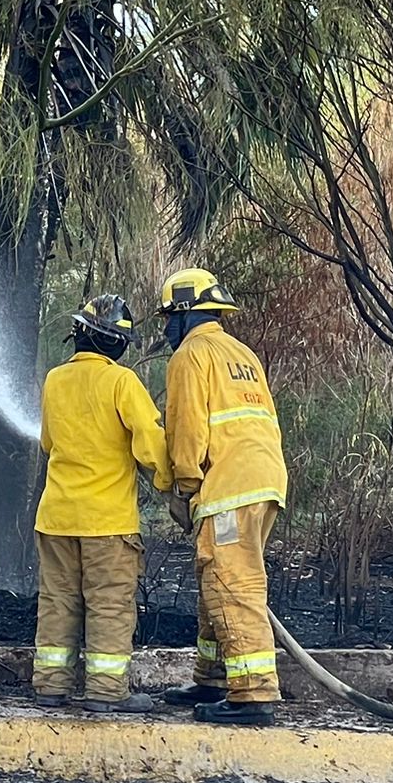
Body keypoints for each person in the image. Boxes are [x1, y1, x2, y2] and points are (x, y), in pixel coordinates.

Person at [156, 267, 287, 727]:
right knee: (216, 578)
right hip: (263, 480)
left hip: (230, 486)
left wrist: (184, 485)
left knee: (232, 583)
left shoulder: (191, 355)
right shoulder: (241, 353)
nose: (166, 329)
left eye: (169, 318)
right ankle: (212, 678)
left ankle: (252, 694)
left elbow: (187, 429)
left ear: (185, 313)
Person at [33, 294, 172, 713]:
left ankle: (50, 686)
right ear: (116, 343)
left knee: (57, 602)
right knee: (109, 605)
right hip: (106, 524)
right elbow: (151, 444)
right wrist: (172, 484)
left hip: (56, 519)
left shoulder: (55, 380)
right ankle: (106, 691)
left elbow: (47, 443)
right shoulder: (121, 382)